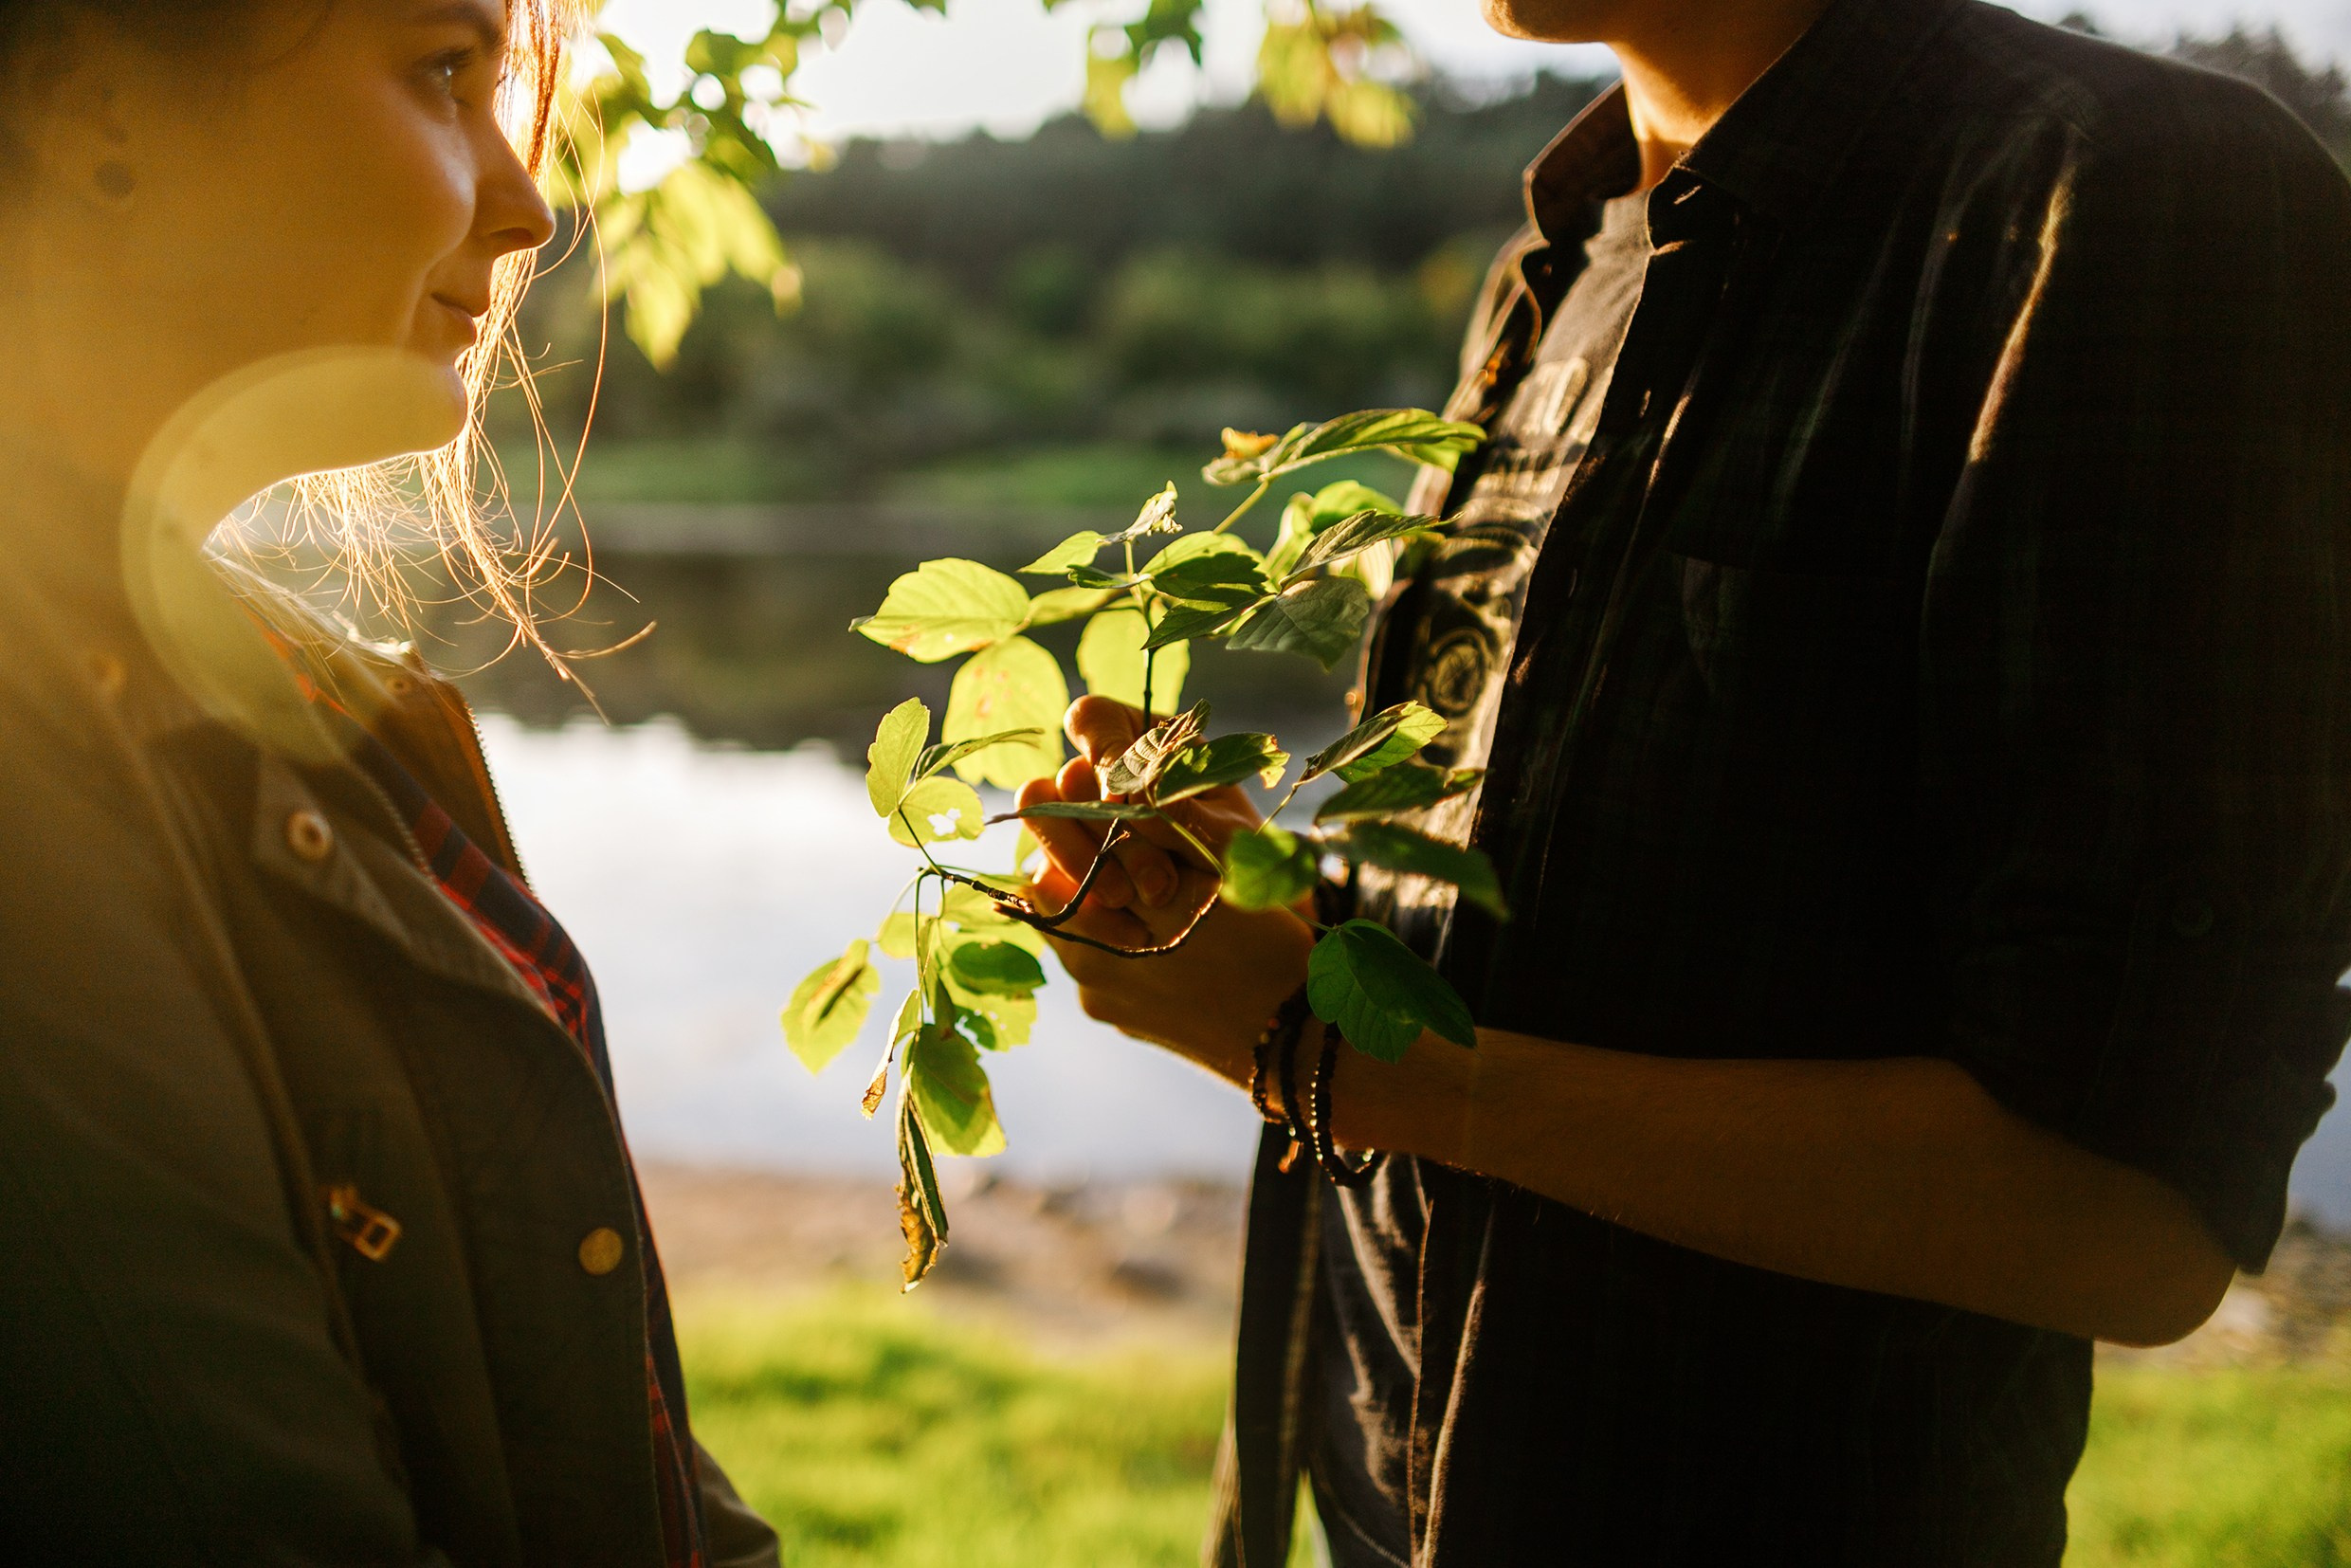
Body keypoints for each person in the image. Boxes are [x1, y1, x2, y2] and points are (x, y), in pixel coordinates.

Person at [1017, 0, 2351, 1561]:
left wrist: (1325, 1055)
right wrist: (1269, 916)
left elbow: (2134, 1215)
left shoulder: (2132, 198)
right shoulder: (1565, 263)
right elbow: (1585, 938)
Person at [0, 3, 780, 1563]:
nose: (531, 200)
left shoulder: (303, 697)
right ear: (95, 114)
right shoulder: (36, 772)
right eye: (445, 72)